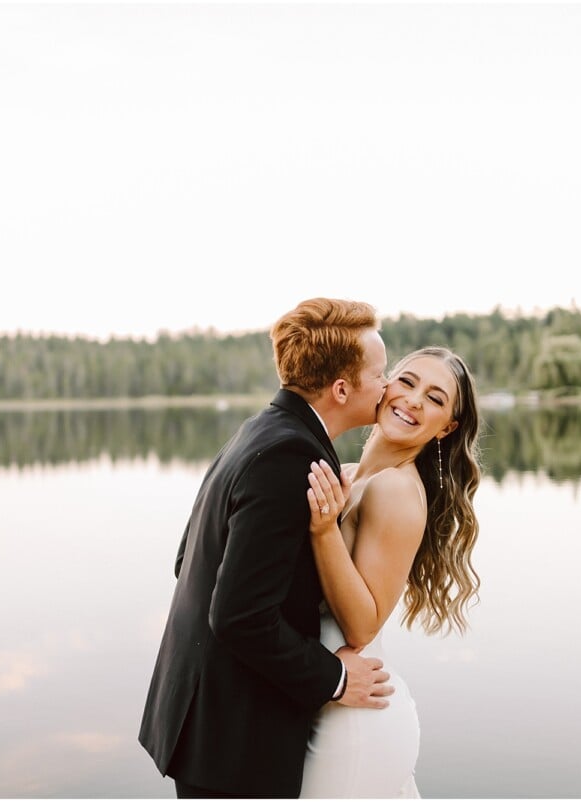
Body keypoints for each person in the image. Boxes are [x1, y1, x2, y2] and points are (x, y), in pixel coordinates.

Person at [139, 298, 396, 798]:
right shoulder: (290, 456)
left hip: (203, 722)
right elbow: (239, 616)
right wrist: (337, 679)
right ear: (342, 389)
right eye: (379, 374)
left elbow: (186, 559)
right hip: (234, 739)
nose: (386, 386)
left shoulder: (261, 430)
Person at [298, 346, 482, 798]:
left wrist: (323, 531)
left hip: (353, 722)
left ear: (447, 427)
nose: (414, 400)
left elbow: (362, 627)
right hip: (331, 699)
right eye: (407, 381)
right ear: (385, 384)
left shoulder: (396, 490)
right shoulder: (352, 475)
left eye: (435, 399)